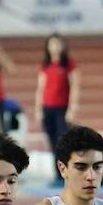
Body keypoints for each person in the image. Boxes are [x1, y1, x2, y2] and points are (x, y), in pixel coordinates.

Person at [35, 34, 79, 165]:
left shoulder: (68, 64)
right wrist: (38, 109)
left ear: (63, 46)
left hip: (62, 108)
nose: (55, 47)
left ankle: (69, 170)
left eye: (58, 44)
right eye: (52, 44)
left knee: (64, 141)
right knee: (53, 142)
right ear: (48, 47)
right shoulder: (45, 65)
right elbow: (40, 88)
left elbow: (75, 86)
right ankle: (57, 172)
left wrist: (72, 109)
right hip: (47, 108)